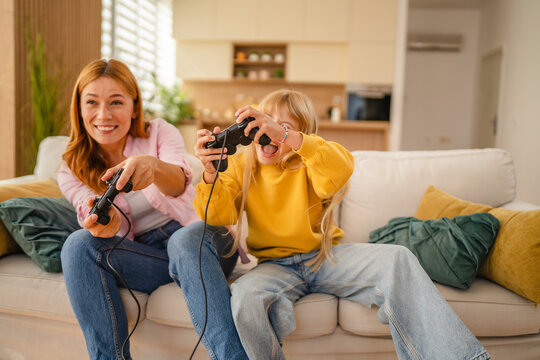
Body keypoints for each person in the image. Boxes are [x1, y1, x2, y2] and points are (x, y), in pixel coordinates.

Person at [175, 89, 491, 360]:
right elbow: (217, 218)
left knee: (398, 257)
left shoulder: (310, 160)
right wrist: (211, 173)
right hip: (275, 266)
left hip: (325, 257)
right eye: (262, 125)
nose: (268, 135)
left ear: (300, 136)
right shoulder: (242, 165)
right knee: (245, 298)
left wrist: (287, 137)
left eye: (281, 128)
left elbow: (340, 169)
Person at [58, 58, 242, 360]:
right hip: (150, 257)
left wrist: (153, 167)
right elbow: (90, 214)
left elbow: (178, 183)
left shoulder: (159, 132)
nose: (103, 115)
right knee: (77, 244)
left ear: (134, 106)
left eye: (116, 102)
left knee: (184, 241)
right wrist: (105, 222)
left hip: (203, 242)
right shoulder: (70, 168)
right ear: (79, 108)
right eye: (92, 102)